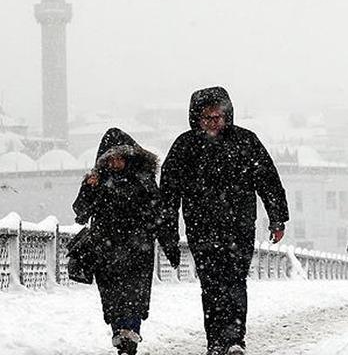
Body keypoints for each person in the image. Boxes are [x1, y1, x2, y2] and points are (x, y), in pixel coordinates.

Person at [160, 87, 289, 355]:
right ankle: (216, 341)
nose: (213, 123)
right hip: (201, 228)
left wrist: (277, 219)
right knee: (211, 284)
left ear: (227, 116)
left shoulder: (245, 142)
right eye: (207, 118)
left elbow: (268, 180)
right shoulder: (185, 147)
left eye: (217, 117)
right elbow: (168, 194)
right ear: (196, 118)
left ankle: (234, 338)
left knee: (235, 281)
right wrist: (168, 234)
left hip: (239, 227)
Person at [73, 128, 179, 355]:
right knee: (111, 295)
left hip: (137, 248)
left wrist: (170, 244)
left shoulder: (143, 181)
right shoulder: (98, 182)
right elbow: (80, 212)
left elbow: (160, 214)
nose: (115, 162)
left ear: (130, 157)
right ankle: (119, 333)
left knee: (134, 294)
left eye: (120, 157)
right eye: (111, 158)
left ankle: (130, 332)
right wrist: (88, 188)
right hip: (106, 248)